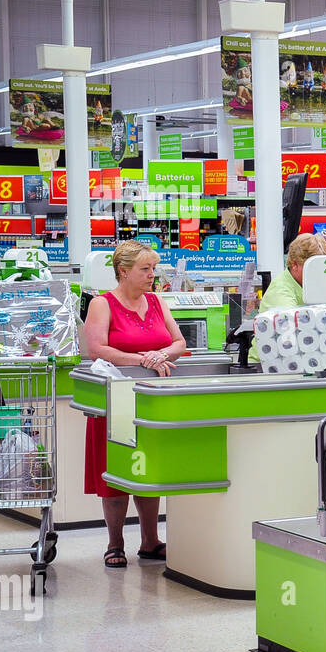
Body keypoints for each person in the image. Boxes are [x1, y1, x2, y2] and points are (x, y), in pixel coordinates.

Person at [82, 240, 188, 568]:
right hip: (118, 396)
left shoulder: (157, 302)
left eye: (153, 268)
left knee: (148, 468)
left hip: (152, 399)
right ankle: (115, 542)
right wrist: (141, 359)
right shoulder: (103, 304)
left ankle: (150, 540)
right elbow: (97, 348)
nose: (152, 275)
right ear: (123, 271)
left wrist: (163, 354)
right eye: (145, 269)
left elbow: (179, 342)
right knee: (117, 470)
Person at [248, 233, 326, 364]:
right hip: (270, 366)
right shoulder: (281, 290)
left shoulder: (311, 284)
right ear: (295, 265)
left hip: (302, 361)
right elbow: (292, 330)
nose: (319, 274)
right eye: (313, 268)